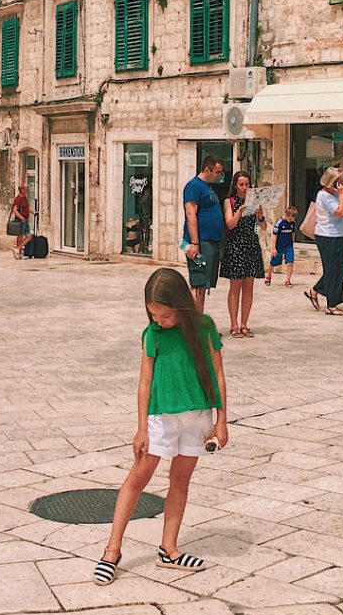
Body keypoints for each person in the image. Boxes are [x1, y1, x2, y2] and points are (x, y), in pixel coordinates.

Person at [92, 268, 228, 586]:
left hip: (197, 416)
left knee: (180, 480)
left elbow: (218, 373)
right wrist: (141, 428)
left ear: (180, 306)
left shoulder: (205, 328)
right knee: (137, 480)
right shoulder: (152, 335)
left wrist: (221, 420)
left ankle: (169, 549)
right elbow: (144, 382)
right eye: (153, 314)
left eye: (164, 315)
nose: (158, 321)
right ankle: (111, 551)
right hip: (160, 418)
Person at [219, 171, 266, 337]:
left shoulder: (254, 202)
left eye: (247, 184)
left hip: (251, 245)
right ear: (235, 185)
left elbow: (264, 227)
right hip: (236, 246)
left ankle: (245, 324)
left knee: (249, 287)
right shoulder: (229, 202)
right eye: (241, 184)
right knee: (235, 287)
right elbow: (230, 224)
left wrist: (260, 217)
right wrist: (239, 211)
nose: (245, 187)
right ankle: (234, 325)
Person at [304, 167, 343, 317]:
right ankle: (331, 305)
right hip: (328, 236)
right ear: (333, 182)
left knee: (338, 269)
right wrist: (341, 194)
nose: (342, 184)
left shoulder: (335, 194)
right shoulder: (323, 196)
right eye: (340, 181)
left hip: (340, 235)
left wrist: (340, 194)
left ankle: (315, 291)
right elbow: (340, 212)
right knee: (332, 270)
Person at [182, 156, 225, 313]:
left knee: (204, 284)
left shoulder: (208, 187)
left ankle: (198, 322)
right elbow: (190, 213)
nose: (219, 175)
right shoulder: (194, 186)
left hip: (211, 242)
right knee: (198, 283)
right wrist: (194, 242)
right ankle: (193, 326)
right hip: (200, 243)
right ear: (207, 169)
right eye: (217, 172)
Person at [265, 205, 297, 287]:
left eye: (292, 219)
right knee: (273, 263)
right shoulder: (279, 223)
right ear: (286, 215)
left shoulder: (293, 223)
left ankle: (288, 280)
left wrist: (292, 243)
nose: (291, 221)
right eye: (290, 219)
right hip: (279, 246)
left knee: (290, 262)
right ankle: (268, 276)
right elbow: (274, 235)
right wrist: (273, 248)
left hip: (288, 246)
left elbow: (293, 233)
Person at [10, 185, 32, 259]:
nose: (27, 190)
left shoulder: (24, 198)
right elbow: (15, 210)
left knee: (28, 237)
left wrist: (33, 212)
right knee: (20, 236)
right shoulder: (18, 199)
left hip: (25, 220)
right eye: (26, 189)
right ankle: (18, 251)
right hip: (21, 221)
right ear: (22, 190)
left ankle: (18, 249)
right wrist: (21, 217)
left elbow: (26, 209)